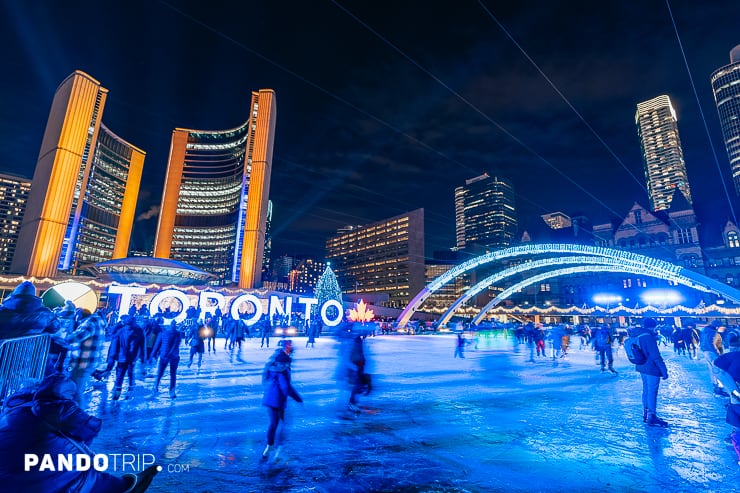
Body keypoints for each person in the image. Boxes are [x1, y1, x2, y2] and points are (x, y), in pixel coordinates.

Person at [0, 373, 158, 492]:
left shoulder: (15, 408)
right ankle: (122, 488)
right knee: (81, 467)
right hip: (36, 483)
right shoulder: (57, 408)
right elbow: (89, 429)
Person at [261, 340, 302, 461]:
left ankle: (268, 447)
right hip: (278, 401)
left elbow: (266, 377)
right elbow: (286, 387)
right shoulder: (283, 370)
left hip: (269, 399)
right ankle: (279, 449)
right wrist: (297, 398)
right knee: (284, 424)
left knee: (273, 424)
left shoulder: (273, 364)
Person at [63, 309, 106, 407]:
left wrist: (59, 335)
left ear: (79, 315)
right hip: (86, 361)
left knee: (76, 391)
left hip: (83, 362)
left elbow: (73, 338)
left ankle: (78, 417)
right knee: (76, 390)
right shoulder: (96, 321)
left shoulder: (90, 323)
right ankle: (77, 415)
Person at [633, 318, 669, 426]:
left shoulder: (637, 334)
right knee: (652, 392)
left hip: (641, 366)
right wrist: (664, 370)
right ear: (653, 326)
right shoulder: (648, 337)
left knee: (646, 390)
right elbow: (656, 356)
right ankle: (652, 416)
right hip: (651, 368)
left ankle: (646, 412)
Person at [108, 315, 145, 401]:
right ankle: (129, 389)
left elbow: (114, 344)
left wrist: (112, 357)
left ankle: (117, 395)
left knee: (121, 375)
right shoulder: (138, 331)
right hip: (131, 358)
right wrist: (143, 357)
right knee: (130, 372)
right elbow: (142, 345)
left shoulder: (121, 331)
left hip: (123, 357)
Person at [150, 320, 182, 399]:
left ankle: (156, 387)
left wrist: (152, 354)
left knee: (161, 373)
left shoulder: (163, 333)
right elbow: (176, 345)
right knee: (172, 374)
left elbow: (157, 345)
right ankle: (171, 390)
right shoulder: (177, 334)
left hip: (165, 356)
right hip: (172, 356)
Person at [700, 320, 729, 396]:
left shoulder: (705, 331)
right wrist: (718, 354)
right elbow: (712, 344)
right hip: (712, 353)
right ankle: (718, 388)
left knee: (713, 369)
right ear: (717, 326)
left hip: (706, 352)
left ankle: (716, 386)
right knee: (717, 370)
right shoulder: (712, 333)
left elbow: (703, 342)